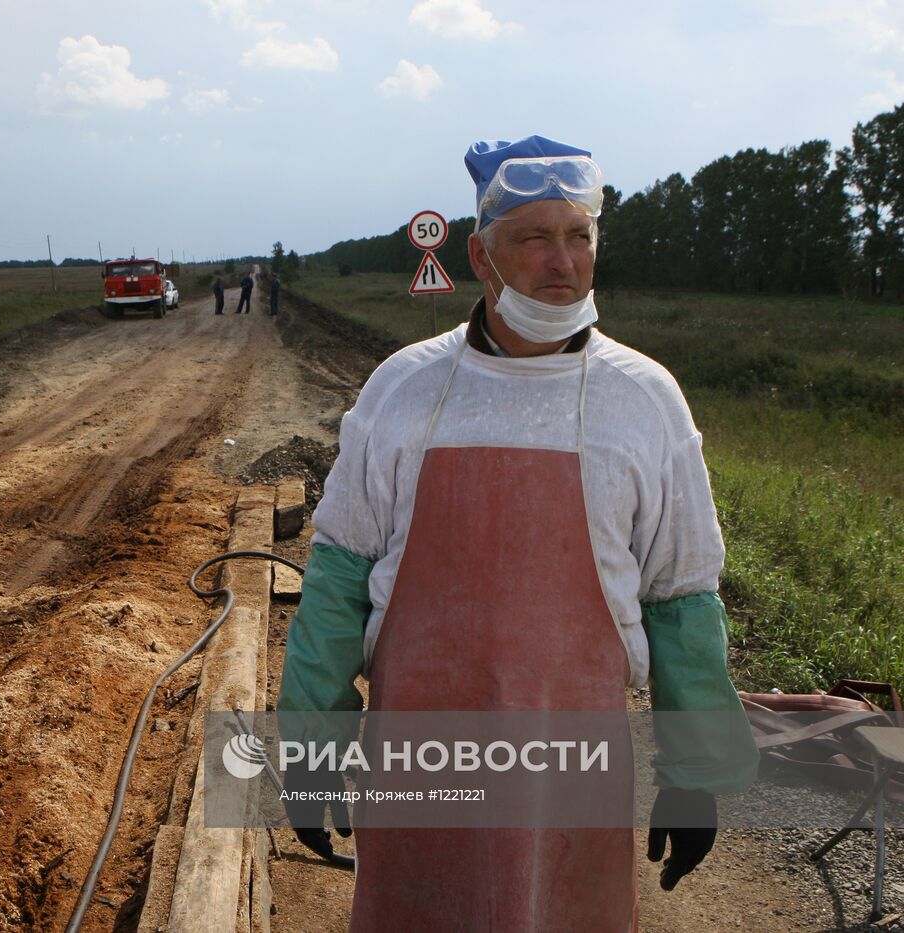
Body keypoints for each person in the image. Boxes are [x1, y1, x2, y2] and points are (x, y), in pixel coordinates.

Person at [276, 135, 757, 931]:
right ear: (481, 253)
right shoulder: (406, 389)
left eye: (579, 236)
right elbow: (337, 581)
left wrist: (693, 772)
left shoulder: (645, 399)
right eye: (534, 237)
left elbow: (681, 595)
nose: (561, 261)